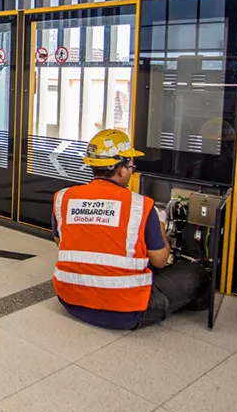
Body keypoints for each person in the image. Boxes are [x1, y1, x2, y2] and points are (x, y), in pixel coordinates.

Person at [52, 129, 207, 330]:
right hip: (126, 311)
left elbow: (60, 241)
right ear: (122, 170)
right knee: (195, 273)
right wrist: (159, 227)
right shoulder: (140, 205)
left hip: (70, 299)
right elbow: (160, 261)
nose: (132, 170)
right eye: (131, 165)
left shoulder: (63, 197)